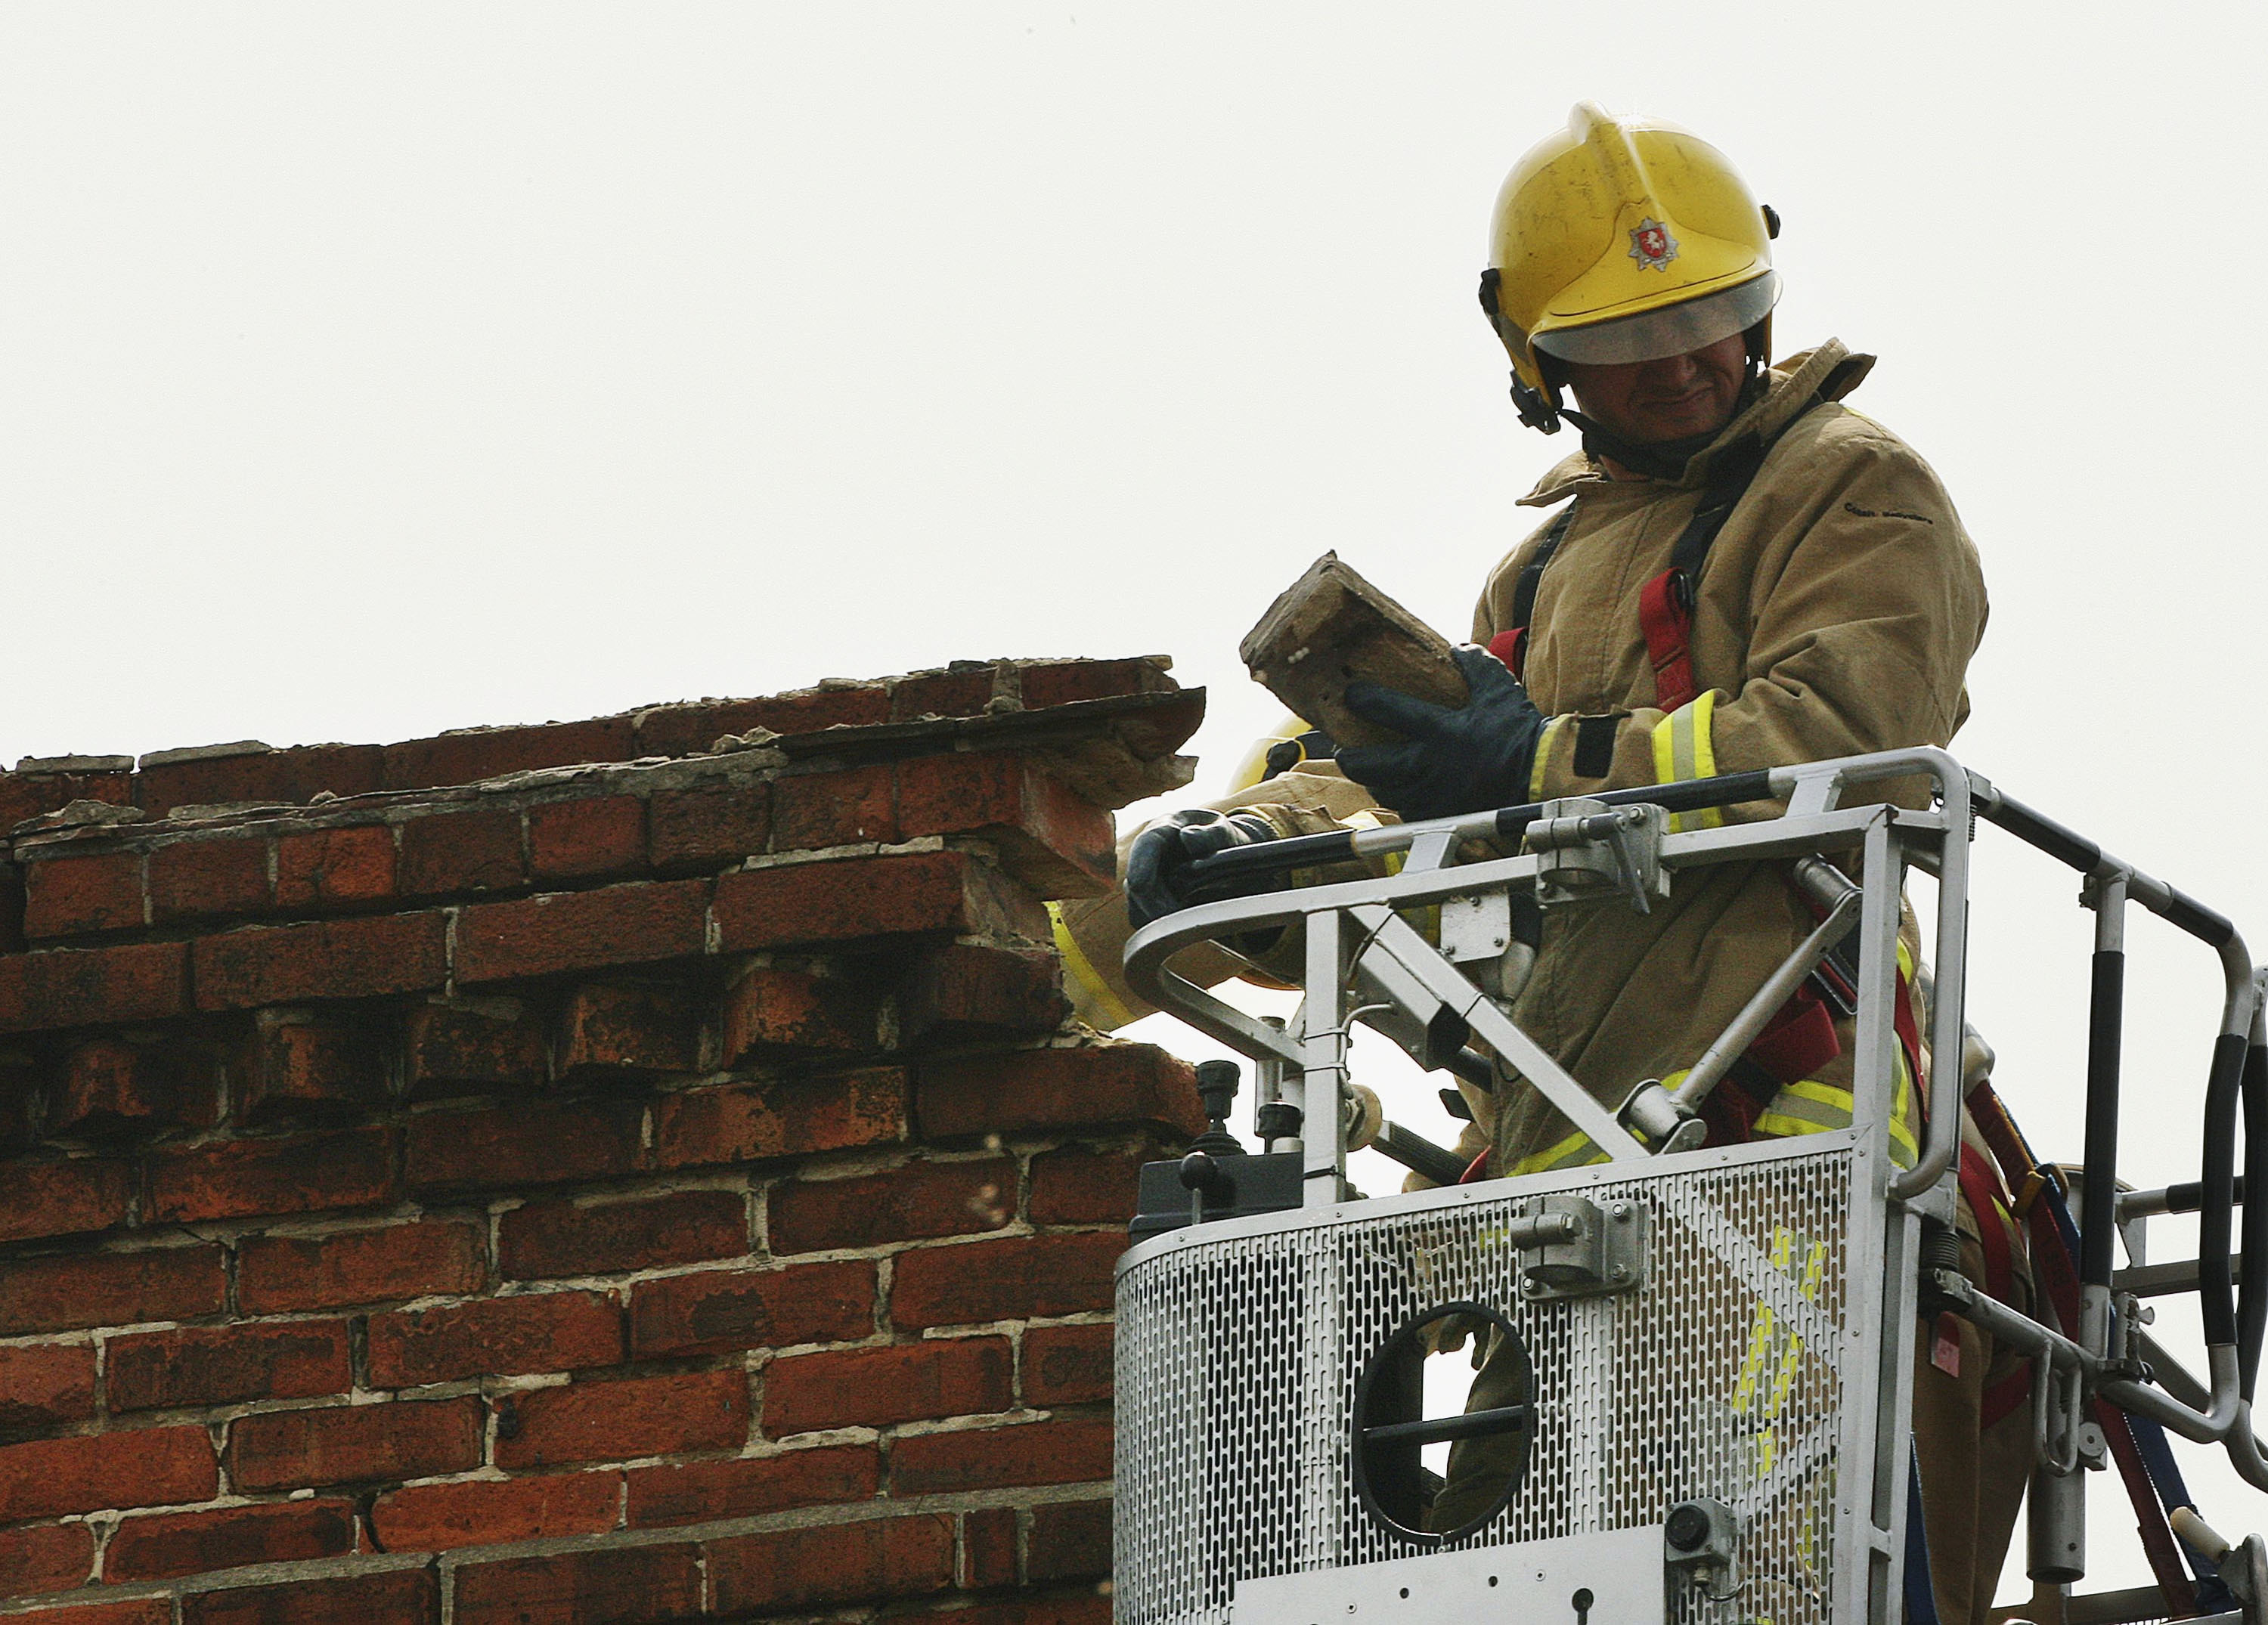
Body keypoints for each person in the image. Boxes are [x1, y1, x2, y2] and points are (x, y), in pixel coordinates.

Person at [1055, 103, 2028, 1623]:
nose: (1696, 355)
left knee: (1764, 1564)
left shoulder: (1848, 482)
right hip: (1565, 1167)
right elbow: (1414, 804)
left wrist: (1532, 765)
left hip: (1774, 1123)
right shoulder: (1545, 567)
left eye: (1713, 312)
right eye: (1639, 337)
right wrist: (1183, 884)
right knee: (1518, 1573)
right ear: (1546, 370)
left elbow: (1850, 735)